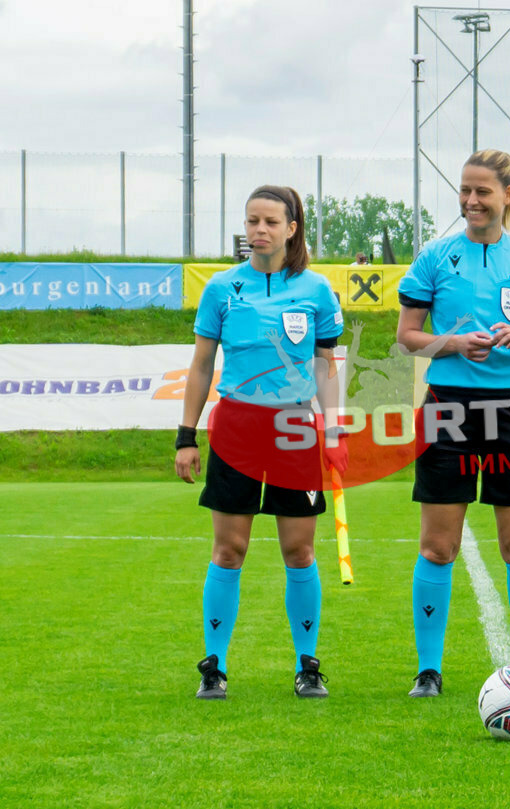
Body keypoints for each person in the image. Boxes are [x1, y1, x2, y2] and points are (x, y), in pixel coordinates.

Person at [396, 149, 510, 697]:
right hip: (447, 409)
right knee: (437, 547)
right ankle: (428, 670)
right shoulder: (435, 258)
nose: (470, 201)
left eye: (482, 191)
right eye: (465, 191)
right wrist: (454, 342)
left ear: (508, 194)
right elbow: (407, 337)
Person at [175, 184, 347, 700]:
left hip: (295, 431)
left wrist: (334, 430)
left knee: (299, 551)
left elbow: (324, 367)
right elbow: (202, 365)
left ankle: (307, 666)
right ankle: (214, 667)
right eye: (252, 221)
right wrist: (187, 436)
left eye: (271, 222)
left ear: (291, 229)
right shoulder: (221, 288)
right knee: (230, 549)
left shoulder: (316, 290)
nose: (259, 231)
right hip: (237, 429)